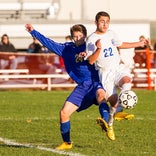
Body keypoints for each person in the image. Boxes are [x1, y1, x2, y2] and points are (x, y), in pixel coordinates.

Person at [25, 23, 108, 150]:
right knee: (64, 113)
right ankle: (67, 143)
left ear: (85, 36)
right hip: (82, 86)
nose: (78, 38)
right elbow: (48, 43)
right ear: (71, 37)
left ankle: (107, 123)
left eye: (80, 36)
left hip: (95, 81)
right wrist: (33, 32)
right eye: (75, 36)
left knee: (101, 96)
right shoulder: (66, 49)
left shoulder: (90, 46)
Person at [86, 11, 148, 141]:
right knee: (113, 102)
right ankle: (110, 124)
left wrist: (139, 44)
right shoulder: (91, 39)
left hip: (117, 67)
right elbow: (91, 60)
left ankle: (122, 104)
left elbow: (121, 44)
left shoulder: (111, 33)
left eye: (107, 22)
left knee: (127, 80)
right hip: (105, 72)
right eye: (102, 21)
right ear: (96, 22)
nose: (105, 24)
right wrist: (98, 49)